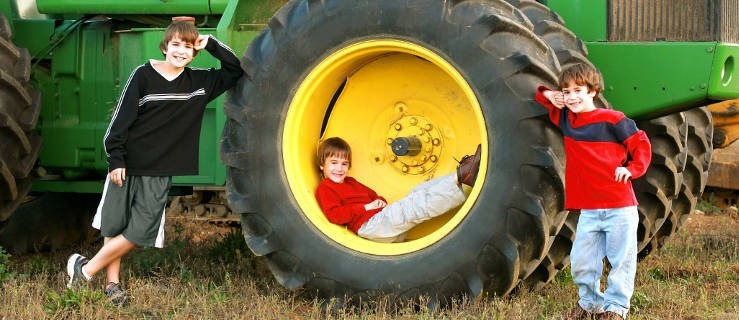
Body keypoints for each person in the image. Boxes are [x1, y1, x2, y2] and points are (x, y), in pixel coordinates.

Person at [65, 18, 244, 306]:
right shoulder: (143, 75)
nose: (181, 51)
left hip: (160, 170)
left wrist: (210, 43)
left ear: (194, 52)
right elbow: (120, 121)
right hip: (128, 163)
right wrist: (116, 159)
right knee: (115, 225)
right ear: (165, 46)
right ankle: (113, 285)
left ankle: (84, 269)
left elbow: (235, 70)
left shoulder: (200, 82)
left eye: (188, 47)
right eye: (176, 45)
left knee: (140, 231)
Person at [535, 64, 651, 320]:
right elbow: (539, 94)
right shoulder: (568, 120)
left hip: (619, 206)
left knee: (621, 262)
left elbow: (641, 143)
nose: (572, 96)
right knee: (581, 263)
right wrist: (551, 95)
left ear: (593, 91)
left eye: (578, 90)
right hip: (589, 209)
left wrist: (632, 169)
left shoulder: (614, 120)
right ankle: (590, 305)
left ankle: (615, 309)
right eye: (566, 91)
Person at [314, 137, 481, 243]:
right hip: (370, 227)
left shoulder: (351, 182)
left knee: (419, 191)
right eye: (334, 163)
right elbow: (334, 215)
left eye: (344, 164)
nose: (339, 168)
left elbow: (373, 195)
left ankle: (462, 176)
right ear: (322, 165)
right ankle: (462, 176)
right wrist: (365, 208)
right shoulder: (325, 188)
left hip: (381, 220)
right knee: (413, 206)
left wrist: (380, 201)